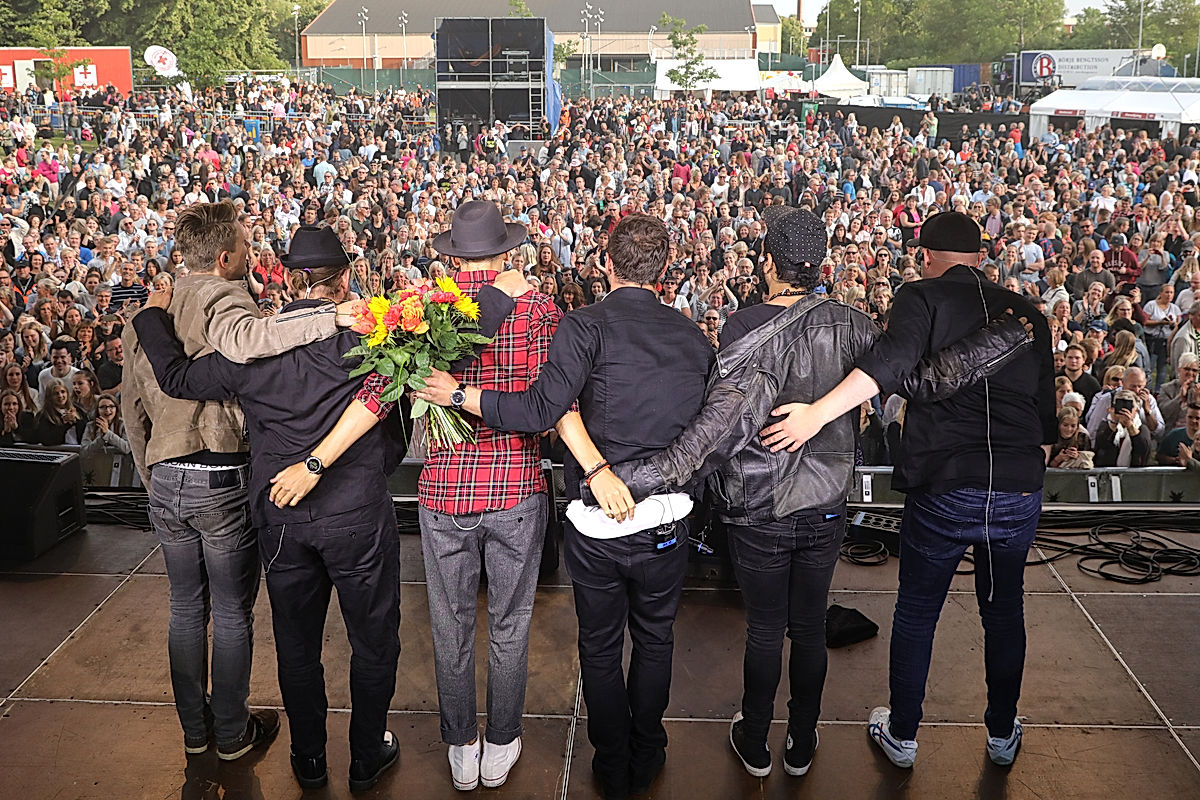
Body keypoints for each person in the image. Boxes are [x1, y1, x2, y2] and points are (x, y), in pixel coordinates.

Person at [562, 207, 1031, 780]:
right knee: (808, 627)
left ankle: (755, 741)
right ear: (822, 266)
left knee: (764, 630)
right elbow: (920, 378)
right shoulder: (855, 324)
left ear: (768, 263)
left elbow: (715, 432)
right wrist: (1001, 338)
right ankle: (802, 741)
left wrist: (612, 478)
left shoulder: (742, 328)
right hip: (826, 505)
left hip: (757, 509)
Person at [417, 214, 716, 800]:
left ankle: (605, 762)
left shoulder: (441, 314)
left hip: (582, 519)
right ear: (666, 271)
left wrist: (459, 394)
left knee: (596, 647)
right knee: (654, 640)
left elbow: (543, 409)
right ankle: (644, 752)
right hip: (660, 518)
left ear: (605, 263)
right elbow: (705, 431)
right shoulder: (692, 337)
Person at [756, 212, 1056, 769]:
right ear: (981, 258)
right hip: (1017, 488)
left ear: (925, 256)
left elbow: (888, 366)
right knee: (1004, 611)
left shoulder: (920, 297)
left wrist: (815, 415)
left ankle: (903, 736)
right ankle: (1001, 735)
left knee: (918, 611)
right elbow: (1045, 427)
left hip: (945, 485)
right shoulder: (1028, 315)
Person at [259, 203, 540, 793]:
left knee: (448, 624)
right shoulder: (538, 308)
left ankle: (458, 747)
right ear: (506, 252)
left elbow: (387, 390)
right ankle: (498, 742)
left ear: (451, 257)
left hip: (442, 491)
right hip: (514, 485)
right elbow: (551, 402)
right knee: (508, 625)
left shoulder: (422, 310)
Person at [122, 201, 358, 764]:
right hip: (219, 472)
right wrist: (333, 318)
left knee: (185, 607)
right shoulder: (223, 297)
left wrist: (152, 473)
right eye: (247, 248)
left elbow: (132, 408)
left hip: (166, 475)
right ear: (226, 258)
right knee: (230, 611)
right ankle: (231, 733)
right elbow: (250, 342)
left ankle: (194, 731)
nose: (253, 255)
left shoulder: (149, 313)